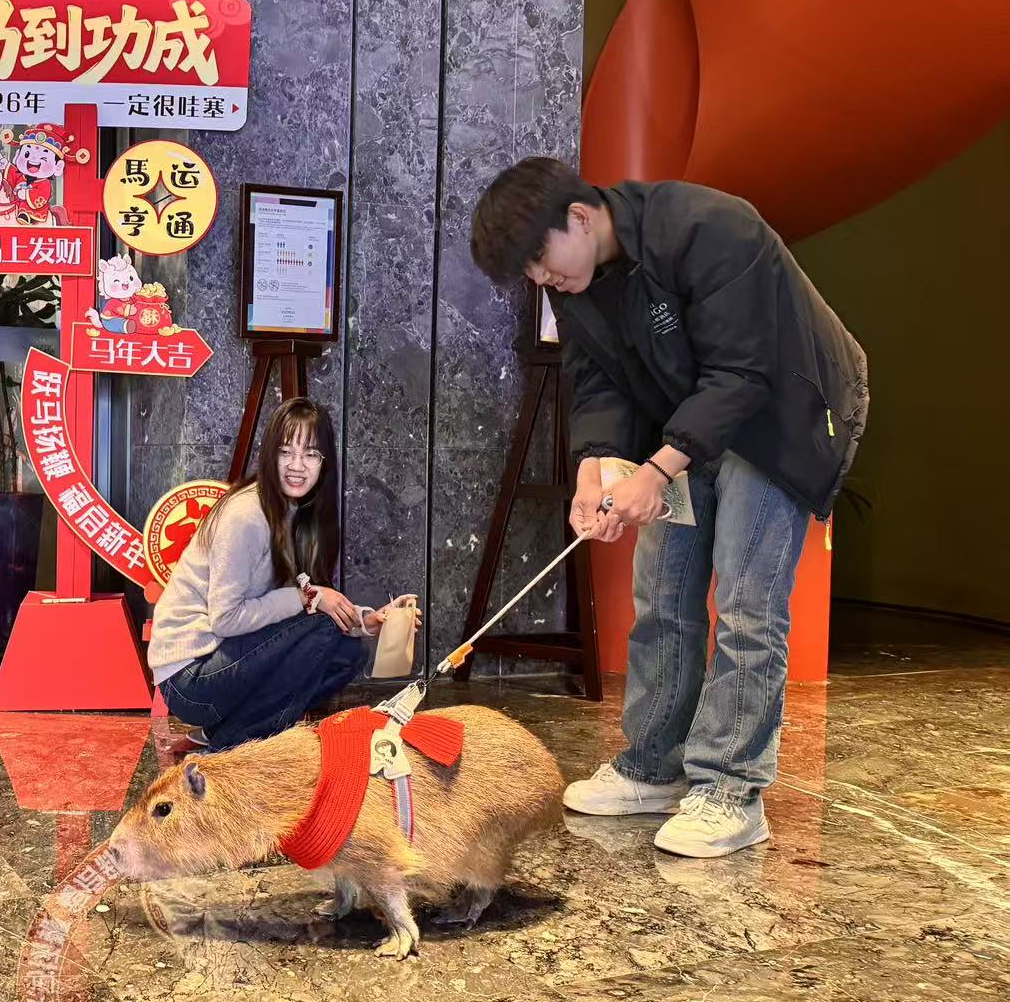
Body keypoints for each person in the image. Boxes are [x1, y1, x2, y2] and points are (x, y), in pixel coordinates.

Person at [470, 157, 868, 858]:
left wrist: (657, 469)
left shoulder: (711, 227)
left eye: (539, 258)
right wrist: (593, 467)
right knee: (662, 590)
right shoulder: (574, 280)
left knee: (746, 603)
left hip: (780, 414)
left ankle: (731, 790)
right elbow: (593, 377)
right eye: (527, 272)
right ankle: (653, 765)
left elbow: (743, 372)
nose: (540, 279)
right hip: (687, 418)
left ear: (580, 218)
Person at [148, 398, 419, 751]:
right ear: (269, 455)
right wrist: (306, 599)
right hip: (190, 678)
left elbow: (301, 603)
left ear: (324, 462)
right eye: (286, 452)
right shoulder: (246, 516)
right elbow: (226, 619)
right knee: (322, 628)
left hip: (222, 662)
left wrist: (369, 621)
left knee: (347, 652)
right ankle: (238, 741)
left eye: (310, 454)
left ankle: (230, 732)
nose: (297, 466)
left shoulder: (293, 512)